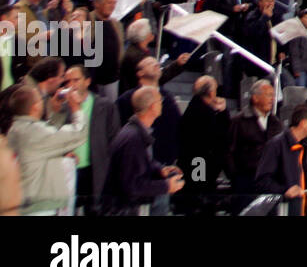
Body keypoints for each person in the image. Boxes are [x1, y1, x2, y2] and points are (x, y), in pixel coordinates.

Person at [6, 80, 86, 214]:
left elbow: (48, 136)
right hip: (38, 208)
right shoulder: (33, 133)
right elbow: (78, 134)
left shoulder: (16, 128)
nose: (43, 101)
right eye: (40, 99)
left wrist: (55, 110)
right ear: (35, 107)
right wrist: (76, 108)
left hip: (27, 204)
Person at [101, 87, 185, 216]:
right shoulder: (133, 138)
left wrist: (160, 169)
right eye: (159, 100)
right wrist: (166, 186)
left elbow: (140, 165)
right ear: (152, 107)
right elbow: (132, 186)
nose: (162, 103)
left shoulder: (135, 132)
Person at [55, 63, 120, 216]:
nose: (71, 85)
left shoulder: (106, 106)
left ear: (87, 81)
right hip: (69, 169)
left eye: (76, 80)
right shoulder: (62, 107)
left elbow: (114, 139)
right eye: (67, 81)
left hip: (95, 170)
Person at [254, 103, 307, 216]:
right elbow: (262, 180)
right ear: (303, 123)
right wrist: (284, 191)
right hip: (284, 210)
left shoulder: (305, 147)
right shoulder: (275, 145)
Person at [178, 76, 229, 214]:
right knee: (198, 202)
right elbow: (219, 137)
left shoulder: (197, 108)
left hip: (198, 164)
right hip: (199, 165)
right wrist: (223, 114)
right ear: (211, 92)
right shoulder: (202, 112)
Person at [227, 79, 281, 206]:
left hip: (270, 182)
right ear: (255, 98)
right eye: (268, 95)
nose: (272, 99)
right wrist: (236, 178)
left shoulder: (276, 123)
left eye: (273, 95)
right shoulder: (239, 121)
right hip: (245, 183)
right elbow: (228, 152)